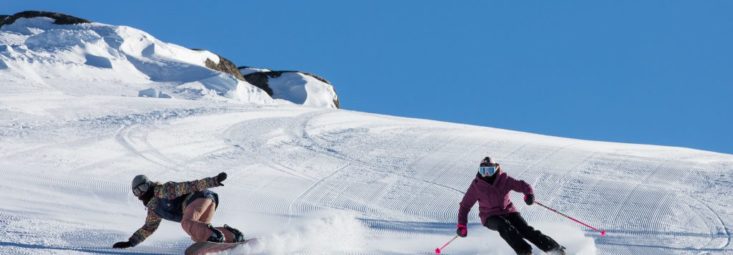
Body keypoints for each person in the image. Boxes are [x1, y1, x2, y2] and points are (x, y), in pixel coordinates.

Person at [456, 157, 565, 255]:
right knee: (504, 226)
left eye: (489, 170)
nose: (486, 174)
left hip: (509, 211)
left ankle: (557, 250)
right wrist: (462, 225)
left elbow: (522, 185)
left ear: (496, 168)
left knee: (526, 230)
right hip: (490, 216)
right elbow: (464, 206)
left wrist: (529, 194)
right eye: (483, 171)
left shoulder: (504, 179)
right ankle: (524, 252)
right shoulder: (477, 186)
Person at [113, 172, 245, 249]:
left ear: (149, 184)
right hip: (206, 203)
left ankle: (215, 239)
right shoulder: (153, 209)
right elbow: (148, 228)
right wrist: (130, 242)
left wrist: (213, 181)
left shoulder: (162, 190)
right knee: (197, 236)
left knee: (186, 222)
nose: (141, 193)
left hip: (199, 197)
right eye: (136, 191)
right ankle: (232, 236)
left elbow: (189, 186)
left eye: (142, 188)